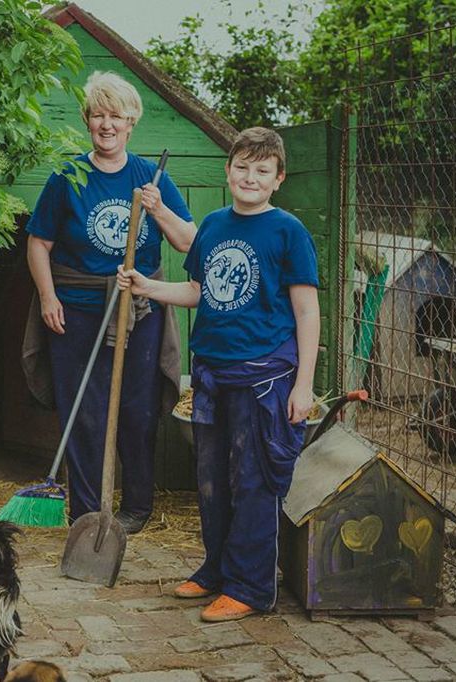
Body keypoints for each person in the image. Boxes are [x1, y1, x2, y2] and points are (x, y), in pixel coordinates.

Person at [117, 127, 320, 621]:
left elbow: (307, 312)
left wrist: (304, 383)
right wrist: (147, 286)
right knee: (211, 480)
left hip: (264, 377)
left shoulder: (287, 232)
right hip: (212, 372)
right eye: (243, 167)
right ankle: (216, 570)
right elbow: (197, 290)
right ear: (227, 171)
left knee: (253, 480)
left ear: (278, 179)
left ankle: (251, 587)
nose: (251, 177)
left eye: (262, 170)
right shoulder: (212, 224)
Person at [22, 71, 196, 534]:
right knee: (84, 411)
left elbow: (188, 242)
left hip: (139, 311)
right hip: (76, 310)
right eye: (98, 115)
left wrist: (158, 208)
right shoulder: (67, 176)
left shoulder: (150, 177)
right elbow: (38, 242)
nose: (106, 124)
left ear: (131, 121)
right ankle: (86, 512)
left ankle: (136, 507)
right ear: (86, 121)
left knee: (137, 410)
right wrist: (47, 297)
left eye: (115, 115)